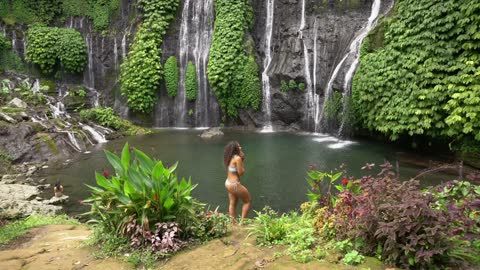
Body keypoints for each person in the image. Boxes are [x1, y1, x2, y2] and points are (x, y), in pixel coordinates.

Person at [224, 141, 251, 224]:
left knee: (232, 204)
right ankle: (242, 223)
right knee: (248, 201)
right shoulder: (237, 158)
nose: (240, 148)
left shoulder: (229, 157)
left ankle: (233, 224)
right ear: (235, 148)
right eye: (239, 147)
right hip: (234, 185)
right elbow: (241, 173)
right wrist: (242, 162)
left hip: (228, 183)